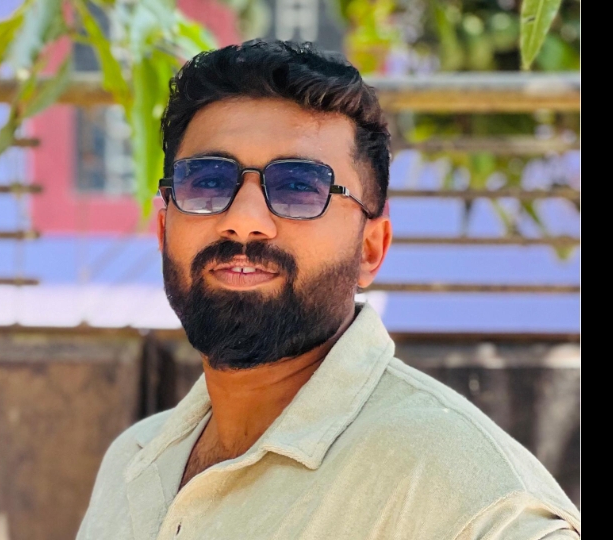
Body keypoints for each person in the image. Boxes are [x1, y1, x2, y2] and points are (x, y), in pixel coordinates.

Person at [76, 41, 580, 540]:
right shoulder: (134, 461)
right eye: (207, 182)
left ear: (370, 250)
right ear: (164, 228)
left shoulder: (468, 497)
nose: (244, 221)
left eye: (299, 187)